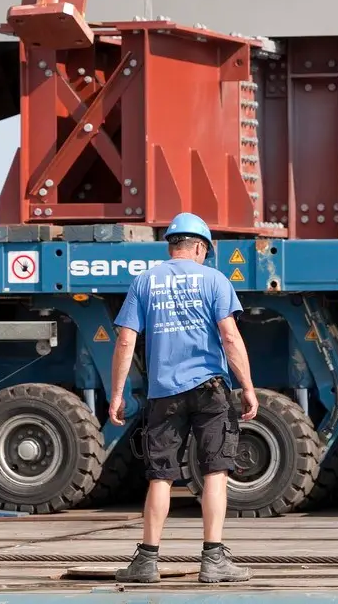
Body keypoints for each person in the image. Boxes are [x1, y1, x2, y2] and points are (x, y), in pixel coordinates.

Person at [107, 211, 259, 584]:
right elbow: (229, 337)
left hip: (164, 394)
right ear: (197, 247)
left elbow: (126, 339)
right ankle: (213, 561)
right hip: (209, 390)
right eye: (204, 251)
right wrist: (248, 386)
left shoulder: (145, 281)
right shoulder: (215, 281)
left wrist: (117, 394)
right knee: (215, 472)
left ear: (171, 246)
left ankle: (146, 562)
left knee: (161, 476)